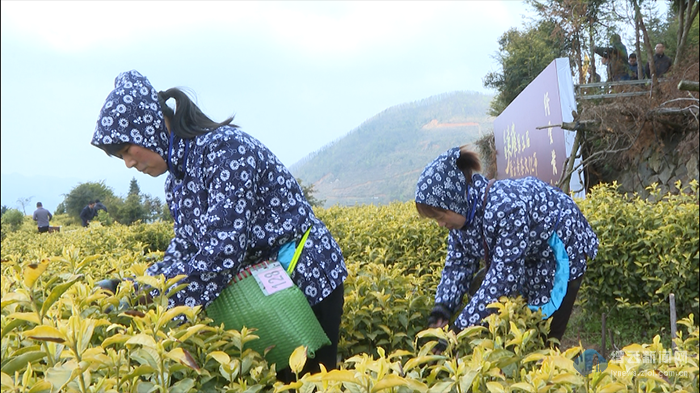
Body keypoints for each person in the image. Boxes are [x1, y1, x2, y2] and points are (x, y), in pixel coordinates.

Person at [90, 70, 347, 380]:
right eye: (121, 158)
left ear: (150, 127)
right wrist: (134, 289)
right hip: (266, 287)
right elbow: (184, 249)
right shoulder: (177, 180)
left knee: (309, 382)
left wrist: (170, 309)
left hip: (304, 277)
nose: (129, 163)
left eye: (128, 150)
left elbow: (223, 251)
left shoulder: (224, 150)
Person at [414, 146, 598, 346]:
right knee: (523, 325)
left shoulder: (506, 208)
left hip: (562, 247)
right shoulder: (462, 222)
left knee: (543, 334)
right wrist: (442, 309)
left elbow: (501, 281)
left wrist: (458, 331)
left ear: (457, 200)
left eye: (441, 216)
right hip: (531, 255)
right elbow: (457, 266)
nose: (441, 224)